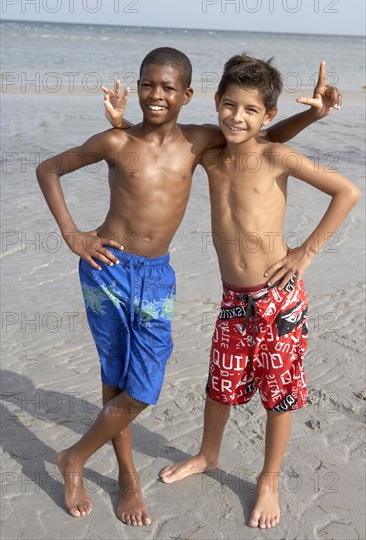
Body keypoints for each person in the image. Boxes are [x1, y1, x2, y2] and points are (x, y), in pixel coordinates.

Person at [36, 47, 342, 527]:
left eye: (168, 88)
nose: (157, 95)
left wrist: (313, 118)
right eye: (148, 85)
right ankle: (142, 471)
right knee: (131, 377)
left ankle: (77, 457)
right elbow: (50, 167)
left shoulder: (209, 142)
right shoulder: (150, 144)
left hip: (194, 282)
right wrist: (73, 233)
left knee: (170, 387)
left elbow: (264, 143)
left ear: (189, 95)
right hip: (122, 271)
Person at [156, 54, 360, 529]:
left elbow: (347, 191)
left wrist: (305, 252)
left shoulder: (276, 156)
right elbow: (169, 142)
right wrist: (121, 122)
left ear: (267, 115)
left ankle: (268, 480)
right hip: (232, 297)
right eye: (229, 105)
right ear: (216, 102)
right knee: (219, 384)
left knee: (279, 394)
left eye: (251, 110)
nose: (236, 117)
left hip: (278, 298)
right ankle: (208, 454)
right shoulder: (210, 155)